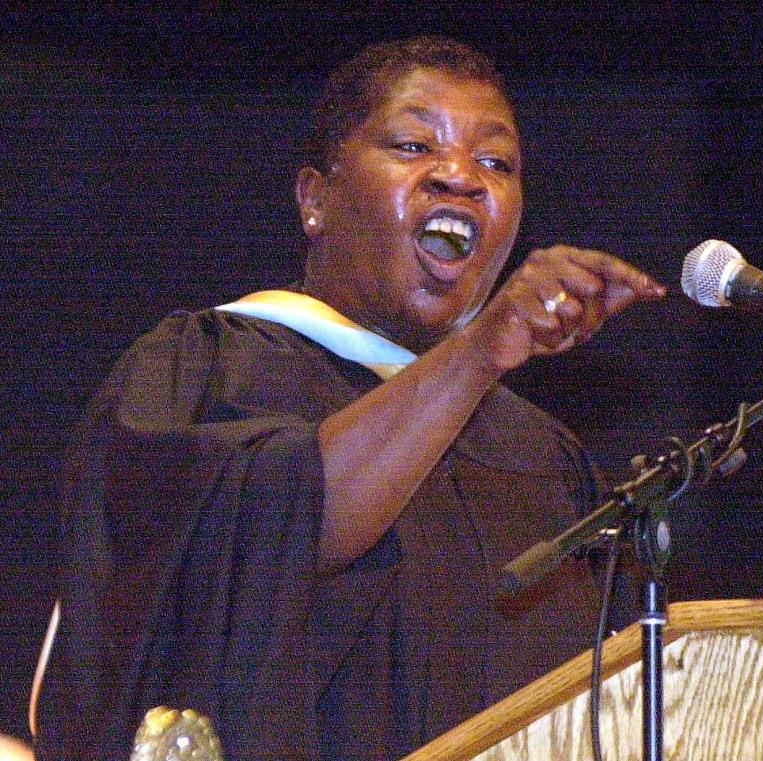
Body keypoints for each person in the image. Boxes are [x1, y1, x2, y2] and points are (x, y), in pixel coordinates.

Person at [37, 35, 665, 761]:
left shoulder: (543, 455)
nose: (459, 178)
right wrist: (479, 354)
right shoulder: (206, 368)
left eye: (495, 162)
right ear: (315, 198)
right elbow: (277, 527)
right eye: (412, 145)